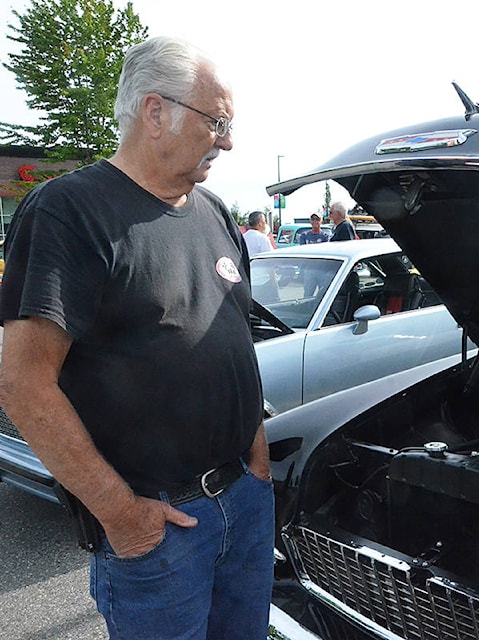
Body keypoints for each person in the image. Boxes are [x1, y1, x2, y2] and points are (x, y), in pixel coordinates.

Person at [0, 36, 273, 640]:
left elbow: (235, 345)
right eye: (217, 122)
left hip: (246, 505)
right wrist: (123, 517)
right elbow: (21, 383)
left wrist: (256, 461)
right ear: (155, 112)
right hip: (160, 530)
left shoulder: (216, 213)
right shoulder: (68, 211)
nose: (227, 141)